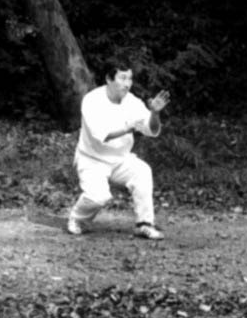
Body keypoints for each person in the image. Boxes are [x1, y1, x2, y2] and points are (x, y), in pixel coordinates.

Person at [66, 60, 171, 239]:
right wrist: (129, 127)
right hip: (92, 159)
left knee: (143, 171)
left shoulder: (133, 102)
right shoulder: (92, 100)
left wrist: (154, 113)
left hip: (120, 158)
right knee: (99, 197)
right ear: (109, 79)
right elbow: (102, 135)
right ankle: (76, 218)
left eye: (129, 78)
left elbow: (152, 131)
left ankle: (144, 224)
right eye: (122, 78)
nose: (127, 83)